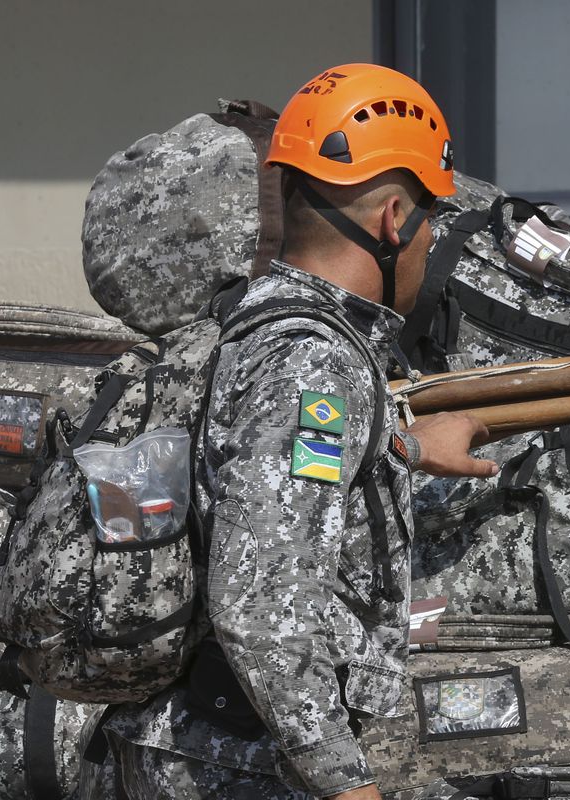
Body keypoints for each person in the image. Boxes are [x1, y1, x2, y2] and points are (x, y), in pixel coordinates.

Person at [92, 65, 498, 800]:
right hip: (241, 765)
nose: (431, 239)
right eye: (432, 217)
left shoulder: (255, 315)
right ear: (394, 218)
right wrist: (346, 788)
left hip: (217, 746)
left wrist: (398, 448)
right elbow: (259, 608)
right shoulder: (312, 361)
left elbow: (252, 469)